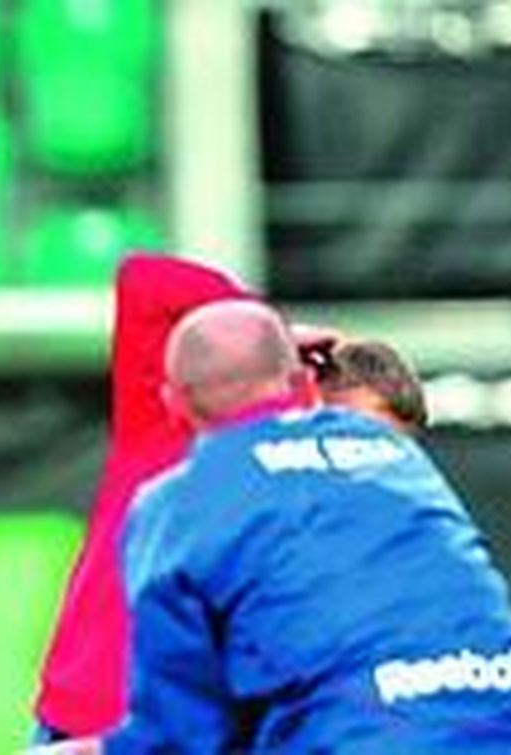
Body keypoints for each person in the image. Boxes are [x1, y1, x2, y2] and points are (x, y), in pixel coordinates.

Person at [40, 300, 511, 753]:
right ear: (303, 384)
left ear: (174, 403)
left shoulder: (177, 503)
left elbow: (179, 740)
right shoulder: (397, 457)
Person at [32, 254, 430, 741]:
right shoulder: (180, 428)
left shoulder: (342, 530)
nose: (365, 461)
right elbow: (145, 277)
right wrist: (266, 336)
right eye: (356, 435)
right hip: (88, 722)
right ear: (302, 394)